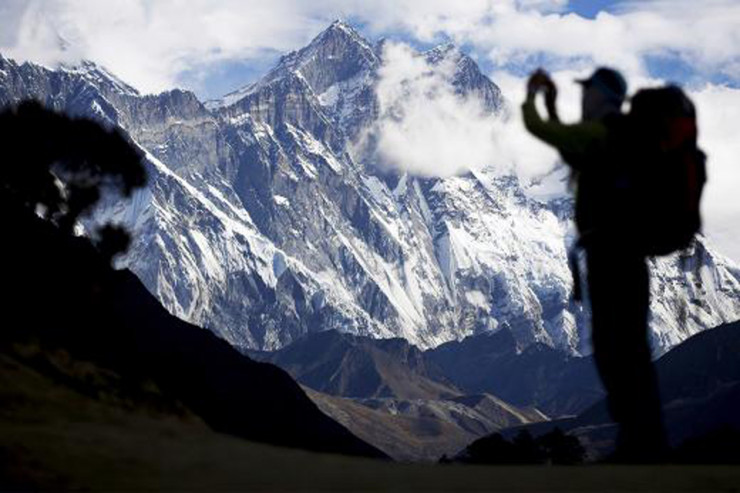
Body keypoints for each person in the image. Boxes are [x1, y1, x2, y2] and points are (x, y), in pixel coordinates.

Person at [522, 67, 668, 462]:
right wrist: (555, 106)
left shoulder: (597, 135)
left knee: (612, 351)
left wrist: (534, 97)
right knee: (632, 350)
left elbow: (542, 131)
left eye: (587, 92)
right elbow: (571, 150)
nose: (582, 98)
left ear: (603, 96)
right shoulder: (623, 140)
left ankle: (638, 444)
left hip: (608, 260)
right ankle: (645, 441)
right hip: (633, 260)